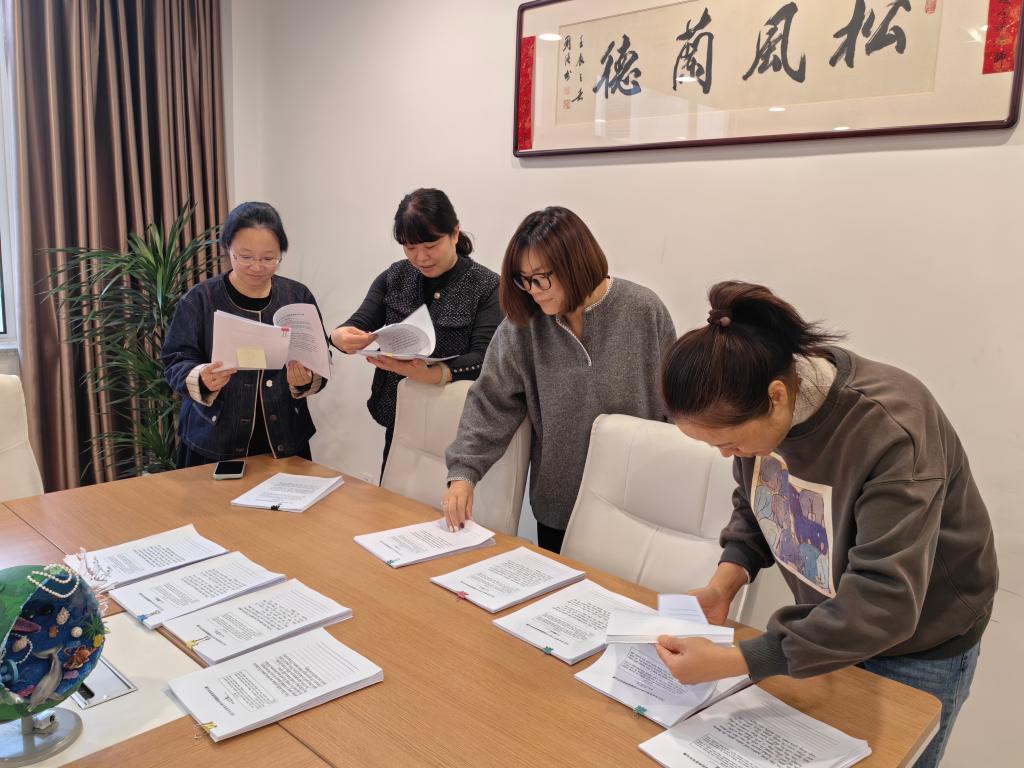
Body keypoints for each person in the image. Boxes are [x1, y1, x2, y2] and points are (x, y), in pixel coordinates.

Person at [656, 281, 997, 768]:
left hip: (922, 640)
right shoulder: (758, 407)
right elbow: (758, 503)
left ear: (776, 397)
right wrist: (723, 585)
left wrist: (741, 660)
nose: (728, 456)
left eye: (728, 443)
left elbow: (884, 601)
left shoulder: (890, 429)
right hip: (831, 625)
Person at [443, 206, 677, 553]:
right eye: (524, 280)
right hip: (559, 507)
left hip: (636, 509)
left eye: (541, 278)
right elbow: (490, 401)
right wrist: (463, 474)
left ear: (575, 263)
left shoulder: (643, 310)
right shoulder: (524, 326)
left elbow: (677, 406)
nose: (533, 291)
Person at [331, 188, 501, 477]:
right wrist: (340, 337)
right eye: (410, 248)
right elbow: (358, 322)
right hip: (400, 420)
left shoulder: (487, 286)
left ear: (455, 233)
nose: (421, 257)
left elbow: (485, 357)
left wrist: (434, 374)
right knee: (393, 499)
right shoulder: (395, 276)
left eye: (431, 245)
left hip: (459, 426)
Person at [162, 202, 327, 467]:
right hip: (214, 440)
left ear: (281, 254)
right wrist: (202, 377)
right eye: (245, 257)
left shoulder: (297, 296)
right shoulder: (200, 300)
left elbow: (320, 357)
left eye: (268, 258)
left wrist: (305, 379)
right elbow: (174, 360)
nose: (257, 267)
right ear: (228, 249)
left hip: (284, 438)